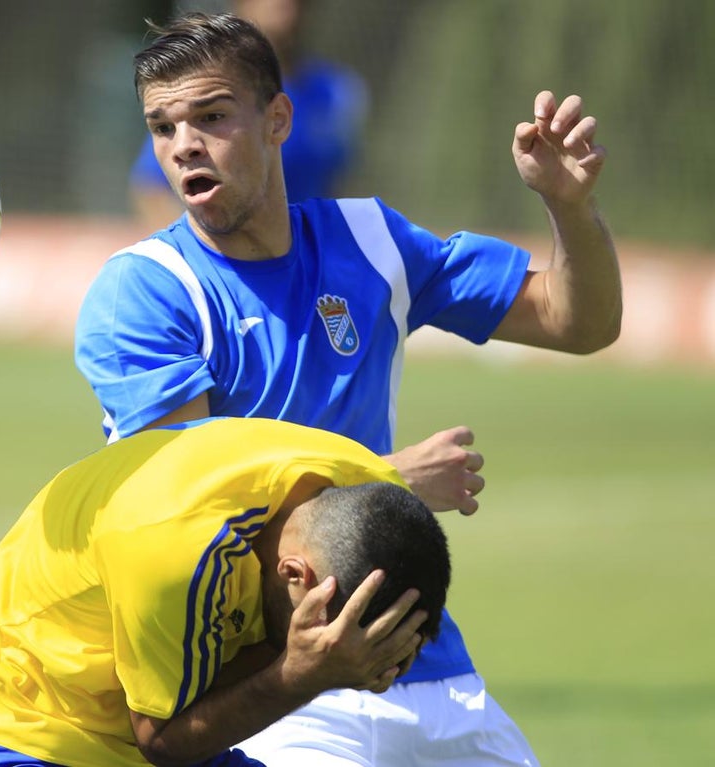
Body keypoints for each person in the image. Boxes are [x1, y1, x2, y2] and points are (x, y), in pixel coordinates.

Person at [74, 12, 621, 765]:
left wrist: (569, 206)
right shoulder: (145, 292)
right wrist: (386, 480)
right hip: (274, 688)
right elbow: (188, 515)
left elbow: (579, 320)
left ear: (278, 119)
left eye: (211, 116)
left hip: (430, 667)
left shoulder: (372, 242)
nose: (184, 145)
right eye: (162, 127)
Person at [0, 416, 451, 767]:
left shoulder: (364, 487)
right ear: (296, 574)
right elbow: (162, 742)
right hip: (40, 732)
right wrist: (304, 672)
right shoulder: (170, 552)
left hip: (164, 706)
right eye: (328, 632)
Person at [128, 0, 367, 230]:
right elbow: (152, 187)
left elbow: (336, 181)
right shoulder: (206, 92)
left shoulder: (335, 90)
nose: (287, 9)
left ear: (280, 116)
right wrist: (196, 257)